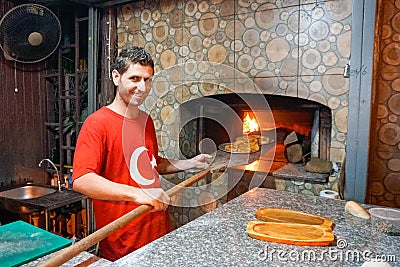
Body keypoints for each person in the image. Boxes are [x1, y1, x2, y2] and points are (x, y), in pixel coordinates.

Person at [72, 46, 211, 261]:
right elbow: (82, 179)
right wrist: (138, 194)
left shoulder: (145, 121)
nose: (142, 87)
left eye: (147, 80)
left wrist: (189, 163)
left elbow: (151, 163)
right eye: (135, 78)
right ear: (116, 77)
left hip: (157, 228)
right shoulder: (97, 124)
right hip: (124, 237)